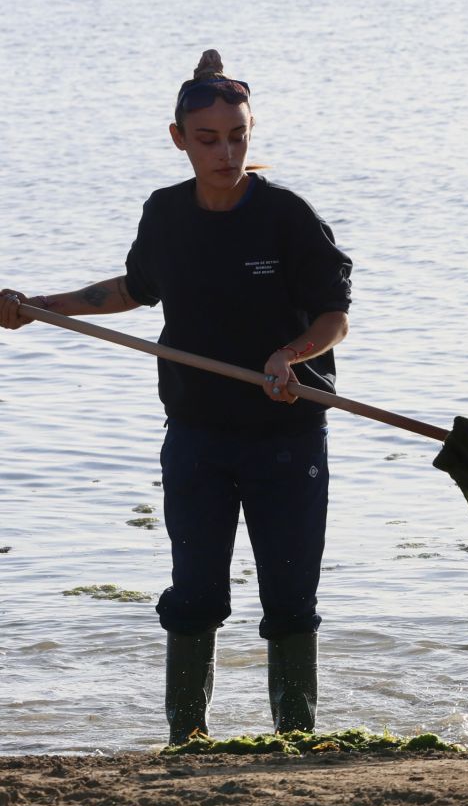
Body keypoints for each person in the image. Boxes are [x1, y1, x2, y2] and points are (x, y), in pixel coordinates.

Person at [1, 50, 353, 742]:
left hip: (287, 438)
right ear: (178, 139)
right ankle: (185, 743)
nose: (226, 153)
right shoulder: (166, 213)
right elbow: (133, 289)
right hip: (196, 437)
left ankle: (295, 742)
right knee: (193, 597)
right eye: (208, 139)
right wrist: (38, 305)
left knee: (289, 602)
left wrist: (291, 355)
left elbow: (333, 317)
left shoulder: (286, 217)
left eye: (238, 136)